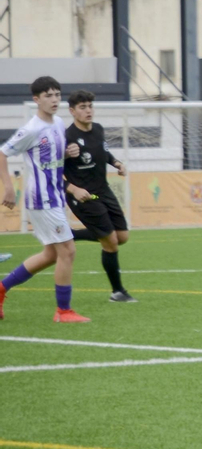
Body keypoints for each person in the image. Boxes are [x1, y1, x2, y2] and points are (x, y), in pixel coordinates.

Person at [0, 76, 91, 323]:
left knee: (51, 254)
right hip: (42, 198)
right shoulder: (31, 129)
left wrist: (69, 152)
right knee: (68, 251)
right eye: (48, 95)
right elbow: (2, 153)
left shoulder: (59, 123)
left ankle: (1, 288)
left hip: (56, 195)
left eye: (57, 95)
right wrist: (8, 188)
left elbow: (52, 156)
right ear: (36, 99)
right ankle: (63, 311)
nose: (54, 100)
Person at [61, 90, 135, 302]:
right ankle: (117, 292)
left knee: (122, 237)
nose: (88, 111)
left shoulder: (98, 129)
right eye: (82, 107)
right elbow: (50, 173)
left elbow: (104, 152)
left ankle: (71, 235)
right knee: (110, 242)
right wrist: (72, 188)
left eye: (90, 106)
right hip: (83, 196)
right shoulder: (66, 138)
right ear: (72, 111)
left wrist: (117, 163)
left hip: (104, 190)